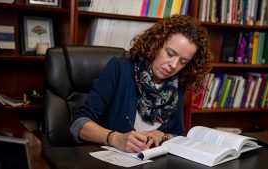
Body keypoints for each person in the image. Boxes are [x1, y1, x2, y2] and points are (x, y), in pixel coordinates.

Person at [70, 14, 213, 153]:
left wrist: (162, 135)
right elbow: (79, 124)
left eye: (183, 62)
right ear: (156, 43)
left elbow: (178, 135)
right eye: (170, 53)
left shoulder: (177, 86)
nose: (174, 65)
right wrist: (115, 138)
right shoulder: (120, 69)